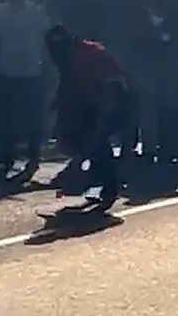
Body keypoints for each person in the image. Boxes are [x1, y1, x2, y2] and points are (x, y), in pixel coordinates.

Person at [45, 24, 128, 211]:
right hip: (87, 102)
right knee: (80, 138)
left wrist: (99, 126)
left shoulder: (90, 55)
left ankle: (106, 183)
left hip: (108, 99)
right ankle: (96, 177)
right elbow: (68, 85)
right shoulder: (67, 58)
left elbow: (110, 89)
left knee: (96, 140)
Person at [0, 0, 51, 180]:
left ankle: (33, 155)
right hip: (6, 71)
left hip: (32, 70)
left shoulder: (36, 12)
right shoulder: (0, 12)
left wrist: (48, 64)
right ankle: (6, 157)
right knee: (6, 117)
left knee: (32, 117)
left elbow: (47, 39)